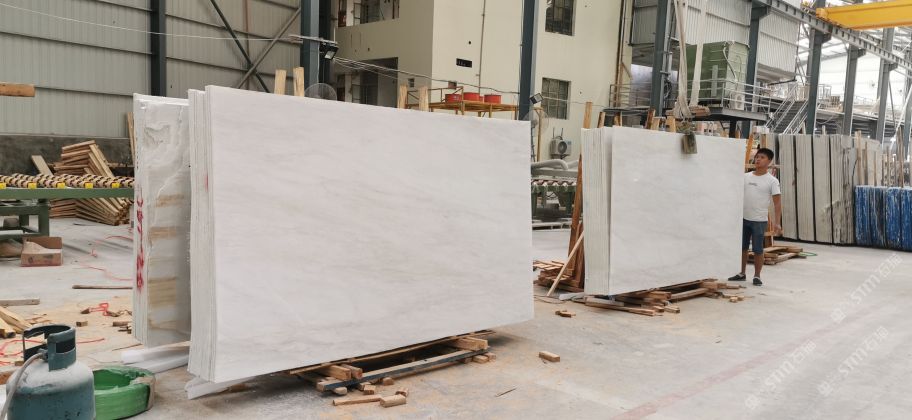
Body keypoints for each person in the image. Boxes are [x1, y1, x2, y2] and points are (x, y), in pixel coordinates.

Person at [728, 148, 781, 286]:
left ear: (769, 161)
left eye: (762, 157)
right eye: (757, 157)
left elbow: (777, 203)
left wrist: (777, 223)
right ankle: (741, 273)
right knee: (742, 247)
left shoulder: (772, 181)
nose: (758, 159)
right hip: (743, 218)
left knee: (758, 249)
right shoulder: (745, 177)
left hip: (759, 220)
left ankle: (757, 276)